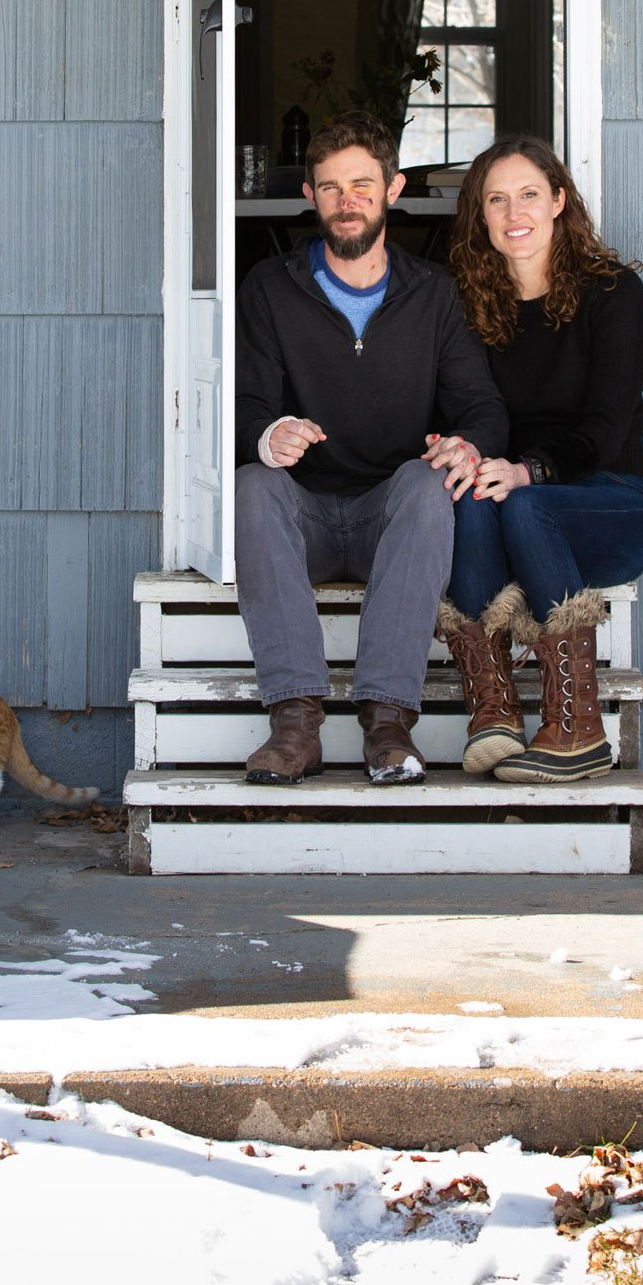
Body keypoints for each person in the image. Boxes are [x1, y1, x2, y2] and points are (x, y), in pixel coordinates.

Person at [234, 112, 508, 787]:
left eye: (361, 184)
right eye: (329, 188)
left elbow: (483, 408)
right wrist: (269, 436)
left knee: (424, 482)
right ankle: (295, 725)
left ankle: (387, 724)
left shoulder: (432, 295)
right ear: (310, 198)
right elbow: (243, 405)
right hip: (302, 516)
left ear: (392, 188)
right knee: (252, 483)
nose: (345, 201)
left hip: (389, 517)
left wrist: (466, 444)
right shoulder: (271, 287)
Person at [437, 135, 643, 786]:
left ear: (559, 201)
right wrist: (452, 444)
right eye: (495, 200)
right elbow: (459, 409)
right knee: (471, 491)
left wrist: (528, 469)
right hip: (507, 509)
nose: (514, 214)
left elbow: (606, 428)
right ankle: (495, 714)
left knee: (521, 499)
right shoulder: (469, 304)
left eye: (529, 194)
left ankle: (577, 729)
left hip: (605, 506)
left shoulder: (613, 294)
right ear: (480, 217)